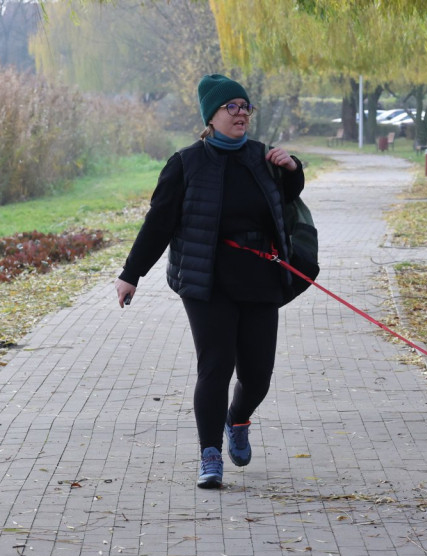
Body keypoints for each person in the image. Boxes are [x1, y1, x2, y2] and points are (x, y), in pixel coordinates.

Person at [115, 73, 306, 489]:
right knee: (215, 367)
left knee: (258, 374)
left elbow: (288, 199)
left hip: (260, 278)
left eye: (245, 107)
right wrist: (131, 274)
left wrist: (292, 169)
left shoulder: (262, 157)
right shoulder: (185, 163)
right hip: (207, 281)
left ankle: (237, 419)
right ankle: (209, 454)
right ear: (211, 116)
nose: (241, 114)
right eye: (231, 107)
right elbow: (159, 223)